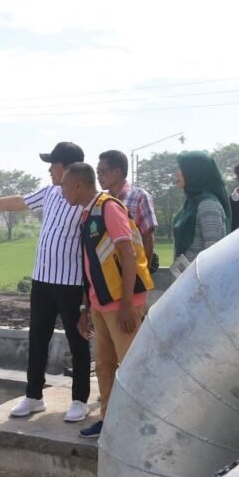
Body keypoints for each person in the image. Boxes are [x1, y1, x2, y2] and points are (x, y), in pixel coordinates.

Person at [0, 142, 91, 423]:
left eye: (52, 164)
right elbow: (19, 202)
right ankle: (34, 396)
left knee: (77, 341)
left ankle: (80, 400)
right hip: (42, 280)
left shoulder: (89, 199)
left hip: (72, 282)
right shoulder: (50, 192)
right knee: (38, 339)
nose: (49, 170)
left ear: (66, 167)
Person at [60, 162, 154, 439]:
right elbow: (91, 266)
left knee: (131, 366)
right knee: (103, 366)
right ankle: (110, 421)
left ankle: (139, 427)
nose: (62, 192)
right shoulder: (88, 214)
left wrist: (126, 304)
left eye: (64, 186)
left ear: (78, 185)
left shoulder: (109, 208)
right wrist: (85, 308)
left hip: (121, 304)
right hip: (100, 304)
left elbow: (128, 255)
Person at [95, 150, 159, 272]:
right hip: (108, 271)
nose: (98, 177)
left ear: (117, 171)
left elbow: (148, 237)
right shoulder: (101, 200)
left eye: (102, 172)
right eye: (97, 172)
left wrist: (143, 273)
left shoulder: (140, 196)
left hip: (133, 268)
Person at [173, 150, 231, 264]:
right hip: (186, 274)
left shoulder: (208, 205)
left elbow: (212, 251)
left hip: (199, 274)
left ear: (194, 172)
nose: (177, 173)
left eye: (182, 169)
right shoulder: (192, 203)